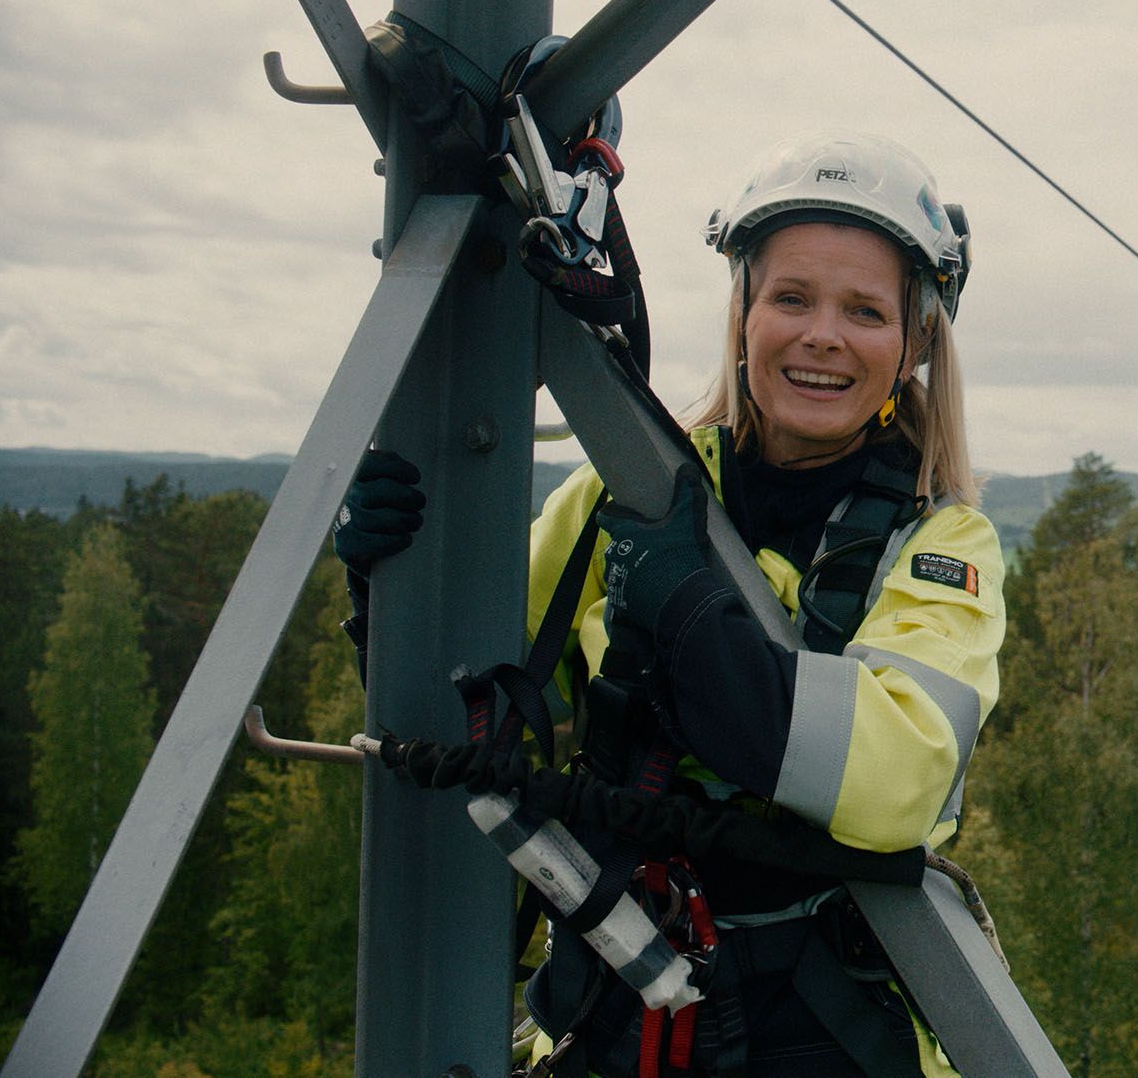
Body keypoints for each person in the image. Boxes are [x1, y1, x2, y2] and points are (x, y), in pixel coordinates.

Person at [336, 131, 1002, 1077]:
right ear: (742, 317)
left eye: (865, 310)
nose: (823, 334)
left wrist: (686, 609)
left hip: (823, 1029)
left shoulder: (939, 544)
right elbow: (461, 706)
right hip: (619, 1000)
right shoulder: (627, 493)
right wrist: (390, 591)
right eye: (792, 298)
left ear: (913, 343)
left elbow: (895, 781)